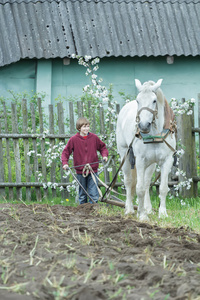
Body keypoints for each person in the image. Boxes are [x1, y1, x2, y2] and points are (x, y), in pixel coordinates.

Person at [61, 117, 108, 204]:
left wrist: (104, 155)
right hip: (80, 171)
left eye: (87, 126)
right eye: (84, 127)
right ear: (79, 128)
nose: (86, 128)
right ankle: (82, 212)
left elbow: (103, 147)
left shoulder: (94, 138)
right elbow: (65, 152)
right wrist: (65, 163)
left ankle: (93, 211)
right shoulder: (74, 139)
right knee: (82, 194)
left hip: (93, 170)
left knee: (93, 193)